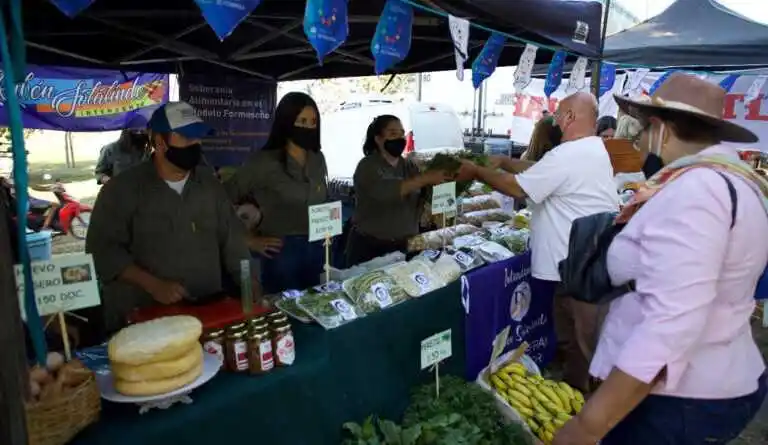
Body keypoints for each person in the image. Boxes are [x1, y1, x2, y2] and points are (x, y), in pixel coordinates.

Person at [553, 73, 768, 445]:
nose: (640, 137)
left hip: (679, 400)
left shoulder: (698, 190)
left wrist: (590, 423)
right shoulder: (735, 182)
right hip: (712, 381)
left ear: (661, 128)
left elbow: (671, 322)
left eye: (644, 126)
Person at [458, 92, 619, 391]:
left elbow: (517, 190)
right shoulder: (589, 149)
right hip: (581, 263)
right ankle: (575, 392)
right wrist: (505, 161)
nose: (555, 119)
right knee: (575, 338)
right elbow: (541, 171)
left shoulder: (569, 154)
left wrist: (478, 170)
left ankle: (585, 411)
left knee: (583, 343)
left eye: (559, 114)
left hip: (577, 265)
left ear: (570, 117)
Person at [86, 101, 253, 333]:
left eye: (198, 138)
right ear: (159, 142)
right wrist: (153, 284)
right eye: (186, 138)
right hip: (145, 319)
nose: (195, 145)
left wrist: (252, 288)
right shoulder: (121, 190)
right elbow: (101, 251)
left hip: (206, 311)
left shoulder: (209, 185)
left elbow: (234, 243)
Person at [225, 92, 328, 294]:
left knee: (318, 309)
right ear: (287, 122)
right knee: (285, 316)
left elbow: (323, 199)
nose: (308, 127)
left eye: (313, 121)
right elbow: (222, 198)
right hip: (282, 252)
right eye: (302, 121)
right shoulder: (263, 162)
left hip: (318, 247)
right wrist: (246, 239)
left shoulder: (318, 159)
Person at [345, 115, 451, 266]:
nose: (400, 138)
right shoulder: (367, 166)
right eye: (393, 133)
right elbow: (386, 192)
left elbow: (427, 196)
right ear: (378, 139)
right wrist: (426, 178)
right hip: (372, 248)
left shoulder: (410, 166)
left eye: (402, 133)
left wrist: (447, 181)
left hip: (408, 245)